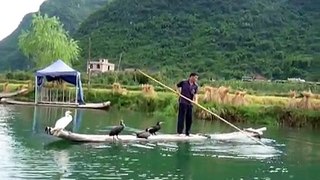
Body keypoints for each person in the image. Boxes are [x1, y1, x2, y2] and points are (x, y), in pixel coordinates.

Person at [176, 72, 199, 136]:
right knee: (181, 117)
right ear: (191, 77)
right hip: (182, 102)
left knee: (189, 118)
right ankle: (179, 132)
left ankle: (187, 133)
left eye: (197, 78)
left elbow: (196, 94)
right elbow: (177, 86)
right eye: (195, 78)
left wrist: (196, 101)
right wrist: (178, 92)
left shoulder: (195, 86)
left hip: (190, 103)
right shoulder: (183, 82)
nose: (196, 79)